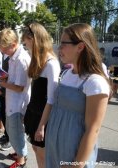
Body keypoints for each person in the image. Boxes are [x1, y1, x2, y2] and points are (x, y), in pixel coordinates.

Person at [36, 23, 110, 167]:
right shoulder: (66, 74)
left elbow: (92, 130)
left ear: (80, 47)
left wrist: (76, 165)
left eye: (64, 44)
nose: (59, 48)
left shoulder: (95, 82)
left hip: (73, 155)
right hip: (55, 150)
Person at [22, 23, 60, 168]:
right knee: (36, 149)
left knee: (44, 153)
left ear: (35, 40)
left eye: (27, 42)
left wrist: (41, 127)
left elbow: (51, 99)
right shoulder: (38, 60)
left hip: (43, 117)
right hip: (34, 112)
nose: (26, 46)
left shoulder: (51, 64)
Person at [0, 28, 31, 168]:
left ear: (14, 44)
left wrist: (0, 82)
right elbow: (13, 79)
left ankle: (21, 161)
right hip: (12, 100)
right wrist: (4, 79)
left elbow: (20, 87)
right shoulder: (13, 57)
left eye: (4, 49)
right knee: (11, 130)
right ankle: (20, 153)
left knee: (15, 133)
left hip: (18, 104)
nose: (3, 52)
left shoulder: (22, 59)